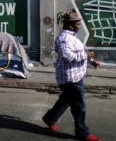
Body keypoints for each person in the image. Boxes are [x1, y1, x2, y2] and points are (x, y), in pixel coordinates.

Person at [42, 12, 101, 141]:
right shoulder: (64, 38)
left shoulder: (72, 36)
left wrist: (91, 61)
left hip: (75, 76)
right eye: (78, 23)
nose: (80, 25)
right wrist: (86, 56)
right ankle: (82, 133)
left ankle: (49, 118)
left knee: (65, 100)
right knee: (79, 106)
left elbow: (79, 52)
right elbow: (67, 56)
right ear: (70, 25)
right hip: (70, 78)